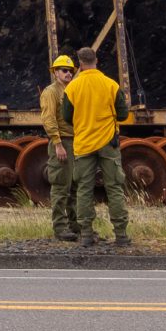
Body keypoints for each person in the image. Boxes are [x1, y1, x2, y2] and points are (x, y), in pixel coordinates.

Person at [56, 45, 130, 246]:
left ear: (79, 64)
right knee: (114, 187)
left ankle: (87, 234)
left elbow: (66, 117)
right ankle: (121, 235)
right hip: (108, 142)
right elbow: (123, 114)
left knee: (83, 189)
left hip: (83, 143)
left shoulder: (72, 88)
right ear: (96, 60)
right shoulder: (111, 85)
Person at [38, 54, 79, 243]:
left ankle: (76, 225)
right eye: (64, 70)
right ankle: (60, 227)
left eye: (71, 70)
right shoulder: (51, 92)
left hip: (77, 141)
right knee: (61, 185)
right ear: (55, 72)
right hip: (63, 142)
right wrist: (58, 143)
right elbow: (49, 119)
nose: (69, 73)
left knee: (75, 187)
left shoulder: (73, 90)